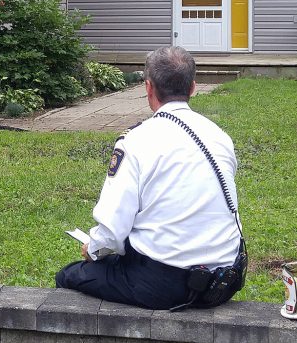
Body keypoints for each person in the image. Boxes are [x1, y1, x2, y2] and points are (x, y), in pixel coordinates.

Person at [55, 46, 242, 310]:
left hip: (166, 283)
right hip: (224, 280)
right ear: (193, 88)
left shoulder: (137, 140)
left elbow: (112, 230)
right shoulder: (219, 136)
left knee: (70, 275)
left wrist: (92, 248)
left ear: (148, 88)